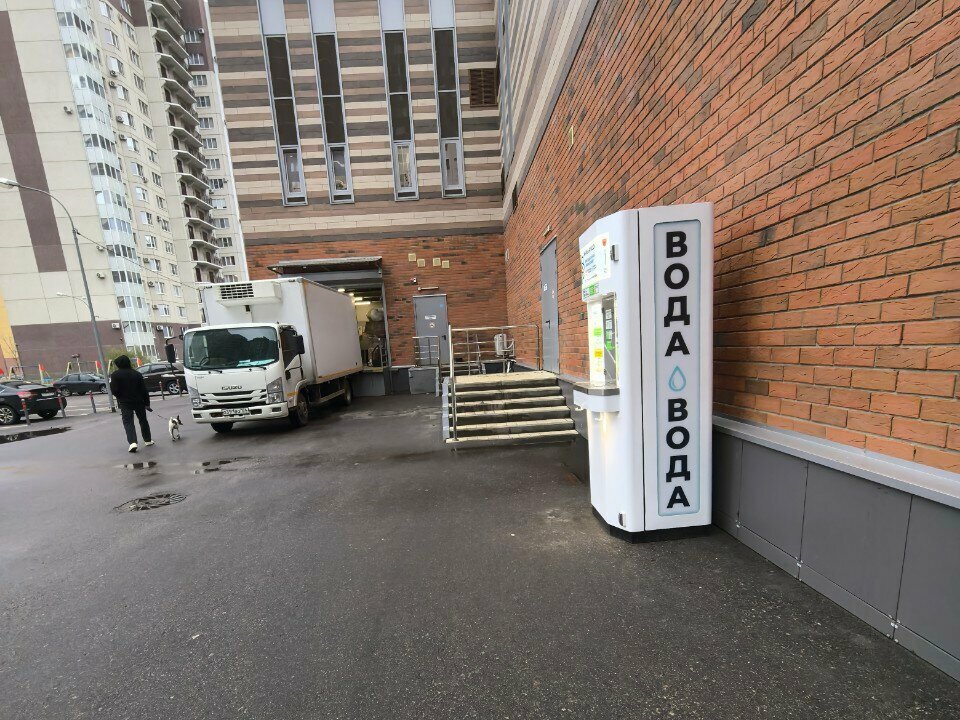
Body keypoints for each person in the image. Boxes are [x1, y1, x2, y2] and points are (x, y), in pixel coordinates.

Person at [109, 355, 153, 452]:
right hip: (139, 401)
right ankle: (148, 440)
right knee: (143, 420)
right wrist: (147, 403)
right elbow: (144, 390)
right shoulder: (137, 374)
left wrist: (120, 397)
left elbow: (114, 390)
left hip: (125, 403)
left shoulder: (115, 375)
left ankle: (133, 442)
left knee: (128, 422)